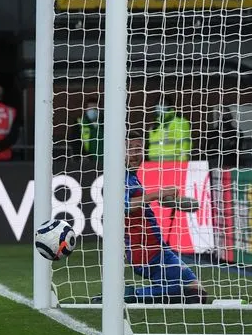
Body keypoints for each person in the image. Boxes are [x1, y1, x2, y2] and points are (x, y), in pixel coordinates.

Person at [92, 132, 207, 304]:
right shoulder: (120, 177)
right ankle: (126, 295)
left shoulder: (132, 177)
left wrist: (172, 201)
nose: (135, 153)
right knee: (195, 292)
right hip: (146, 251)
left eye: (138, 148)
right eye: (129, 148)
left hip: (154, 248)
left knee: (193, 293)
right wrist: (158, 194)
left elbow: (140, 205)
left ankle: (130, 295)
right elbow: (122, 207)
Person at [148, 95, 191, 162]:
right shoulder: (155, 125)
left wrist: (182, 162)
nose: (160, 107)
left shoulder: (178, 122)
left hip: (173, 164)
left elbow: (185, 143)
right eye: (158, 104)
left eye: (163, 104)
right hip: (154, 163)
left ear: (169, 106)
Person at [77, 98, 104, 162]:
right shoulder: (79, 122)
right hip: (88, 161)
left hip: (105, 159)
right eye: (90, 108)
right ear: (86, 109)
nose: (93, 111)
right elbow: (76, 142)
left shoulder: (107, 122)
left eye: (95, 108)